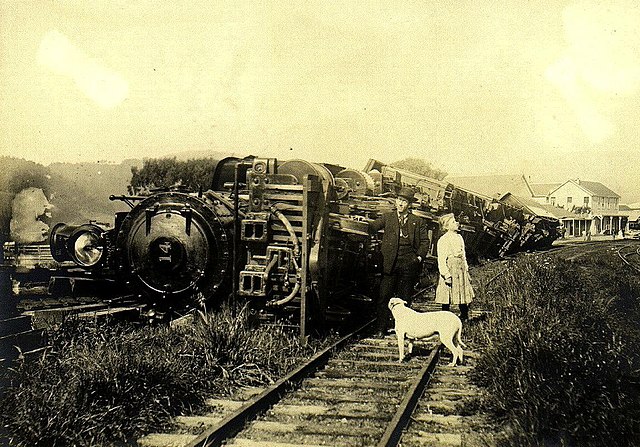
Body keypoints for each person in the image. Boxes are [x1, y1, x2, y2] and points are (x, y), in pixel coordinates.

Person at [369, 186, 430, 336]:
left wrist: (418, 258)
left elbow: (424, 242)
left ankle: (405, 330)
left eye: (404, 201)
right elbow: (372, 227)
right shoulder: (387, 218)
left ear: (409, 204)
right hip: (390, 264)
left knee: (404, 299)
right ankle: (380, 328)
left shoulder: (418, 221)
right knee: (384, 296)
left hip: (409, 264)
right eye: (399, 200)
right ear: (396, 201)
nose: (400, 204)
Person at [434, 213, 473, 321]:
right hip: (450, 269)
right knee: (447, 293)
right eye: (453, 222)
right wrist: (446, 274)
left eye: (456, 221)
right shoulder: (443, 240)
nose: (457, 223)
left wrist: (466, 268)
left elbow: (463, 254)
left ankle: (464, 316)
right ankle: (445, 317)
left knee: (462, 292)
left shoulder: (459, 237)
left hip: (460, 269)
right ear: (446, 226)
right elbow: (441, 259)